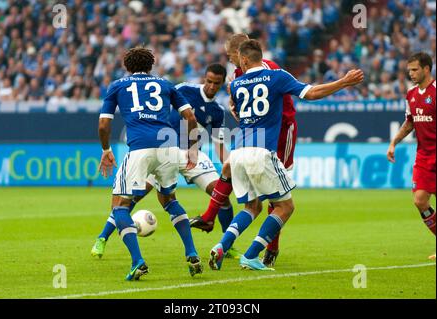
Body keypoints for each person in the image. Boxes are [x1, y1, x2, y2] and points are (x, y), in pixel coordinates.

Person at [209, 39, 364, 271]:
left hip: (238, 152)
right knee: (285, 207)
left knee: (251, 207)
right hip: (261, 152)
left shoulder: (236, 84)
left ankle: (222, 245)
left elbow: (239, 113)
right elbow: (310, 93)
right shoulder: (277, 76)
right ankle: (251, 255)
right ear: (261, 57)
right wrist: (343, 82)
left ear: (243, 60)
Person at [91, 64, 241, 260]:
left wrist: (229, 169)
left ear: (222, 84)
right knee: (134, 197)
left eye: (216, 83)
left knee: (220, 195)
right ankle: (102, 238)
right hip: (164, 149)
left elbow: (220, 145)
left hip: (190, 154)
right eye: (209, 81)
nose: (211, 86)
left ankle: (226, 245)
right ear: (204, 78)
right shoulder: (184, 89)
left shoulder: (218, 111)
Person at [190, 33, 298, 267]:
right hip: (255, 134)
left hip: (282, 130)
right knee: (237, 173)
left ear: (241, 54)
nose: (230, 61)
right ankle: (215, 223)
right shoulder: (238, 77)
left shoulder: (269, 69)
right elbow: (240, 108)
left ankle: (271, 246)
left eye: (231, 56)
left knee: (274, 194)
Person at [98, 47, 203, 280]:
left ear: (127, 66)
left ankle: (138, 261)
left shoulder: (117, 86)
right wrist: (192, 149)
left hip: (139, 149)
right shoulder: (167, 85)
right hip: (169, 147)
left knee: (120, 208)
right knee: (169, 200)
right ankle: (192, 252)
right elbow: (191, 118)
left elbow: (104, 125)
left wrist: (106, 150)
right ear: (151, 65)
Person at [387, 52, 436, 260]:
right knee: (420, 200)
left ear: (426, 69)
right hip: (424, 156)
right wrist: (393, 143)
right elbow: (410, 123)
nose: (411, 74)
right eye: (409, 71)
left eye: (415, 70)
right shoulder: (411, 94)